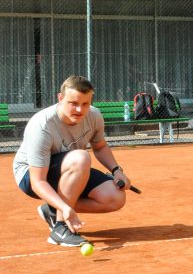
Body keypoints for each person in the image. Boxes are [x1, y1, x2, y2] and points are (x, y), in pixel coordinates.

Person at [12, 76, 131, 247]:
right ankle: (60, 229)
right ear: (60, 98)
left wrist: (116, 170)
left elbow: (100, 146)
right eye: (73, 103)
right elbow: (38, 181)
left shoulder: (94, 116)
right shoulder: (42, 125)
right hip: (30, 176)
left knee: (115, 197)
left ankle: (52, 209)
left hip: (72, 168)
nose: (79, 109)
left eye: (85, 104)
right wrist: (66, 208)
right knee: (81, 157)